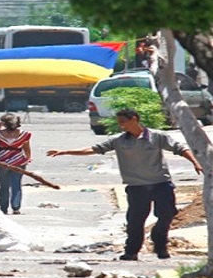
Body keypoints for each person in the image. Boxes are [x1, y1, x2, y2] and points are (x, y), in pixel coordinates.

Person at [46, 108, 203, 261]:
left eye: (123, 122)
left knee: (166, 216)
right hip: (136, 187)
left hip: (160, 184)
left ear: (134, 119)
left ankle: (160, 246)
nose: (121, 125)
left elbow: (180, 148)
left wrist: (195, 162)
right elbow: (93, 149)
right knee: (135, 221)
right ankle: (131, 251)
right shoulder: (119, 141)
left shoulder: (157, 136)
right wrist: (66, 151)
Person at [0, 112, 32, 215]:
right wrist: (28, 158)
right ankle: (16, 207)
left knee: (4, 186)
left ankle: (3, 208)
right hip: (18, 161)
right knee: (16, 184)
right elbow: (26, 148)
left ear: (4, 123)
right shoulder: (24, 134)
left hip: (2, 161)